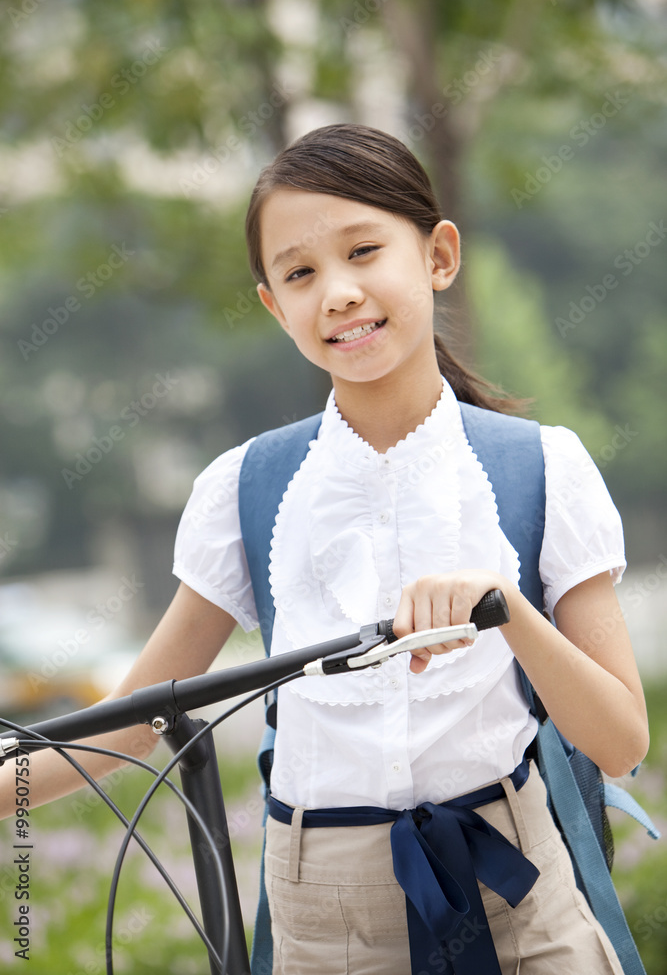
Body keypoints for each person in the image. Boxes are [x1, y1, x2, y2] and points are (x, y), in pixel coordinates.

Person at [0, 123, 649, 975]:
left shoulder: (541, 466)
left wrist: (506, 608)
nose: (337, 293)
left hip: (521, 897)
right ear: (273, 304)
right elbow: (127, 729)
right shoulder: (245, 488)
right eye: (300, 273)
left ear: (438, 255)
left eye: (364, 250)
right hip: (324, 922)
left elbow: (621, 743)